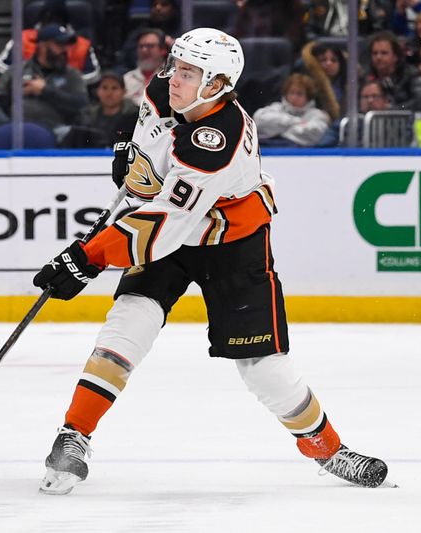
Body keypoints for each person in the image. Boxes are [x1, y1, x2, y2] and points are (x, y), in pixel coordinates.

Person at [32, 27, 390, 496]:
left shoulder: (218, 140)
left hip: (231, 241)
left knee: (262, 366)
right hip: (174, 229)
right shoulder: (166, 88)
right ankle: (73, 434)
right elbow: (145, 131)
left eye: (188, 72)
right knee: (127, 325)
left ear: (217, 84)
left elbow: (161, 227)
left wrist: (85, 258)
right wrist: (128, 150)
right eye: (174, 66)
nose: (172, 79)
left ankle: (328, 448)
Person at [0, 24, 88, 142]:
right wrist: (6, 125)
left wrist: (45, 91)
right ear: (42, 45)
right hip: (15, 129)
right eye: (59, 45)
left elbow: (81, 105)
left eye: (66, 45)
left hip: (56, 131)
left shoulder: (71, 75)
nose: (65, 50)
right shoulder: (17, 71)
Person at [0, 0, 100, 87]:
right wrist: (27, 81)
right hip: (27, 95)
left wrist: (61, 84)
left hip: (66, 97)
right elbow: (0, 69)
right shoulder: (22, 40)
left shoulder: (81, 45)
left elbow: (94, 77)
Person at [63, 71, 138, 148]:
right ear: (98, 91)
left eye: (114, 88)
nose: (109, 93)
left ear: (124, 92)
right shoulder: (86, 117)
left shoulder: (134, 117)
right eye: (105, 88)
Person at [254, 73, 331, 147]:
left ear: (308, 97)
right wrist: (295, 121)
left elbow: (314, 133)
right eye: (291, 93)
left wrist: (276, 133)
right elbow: (258, 120)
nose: (294, 97)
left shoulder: (317, 115)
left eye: (299, 94)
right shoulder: (276, 107)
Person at [362, 30, 421, 110]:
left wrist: (391, 110)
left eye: (384, 53)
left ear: (395, 56)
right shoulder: (365, 78)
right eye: (375, 53)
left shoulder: (411, 74)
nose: (378, 57)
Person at [123, 29, 169, 106]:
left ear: (163, 50)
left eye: (150, 46)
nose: (144, 50)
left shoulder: (170, 77)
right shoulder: (126, 79)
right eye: (141, 46)